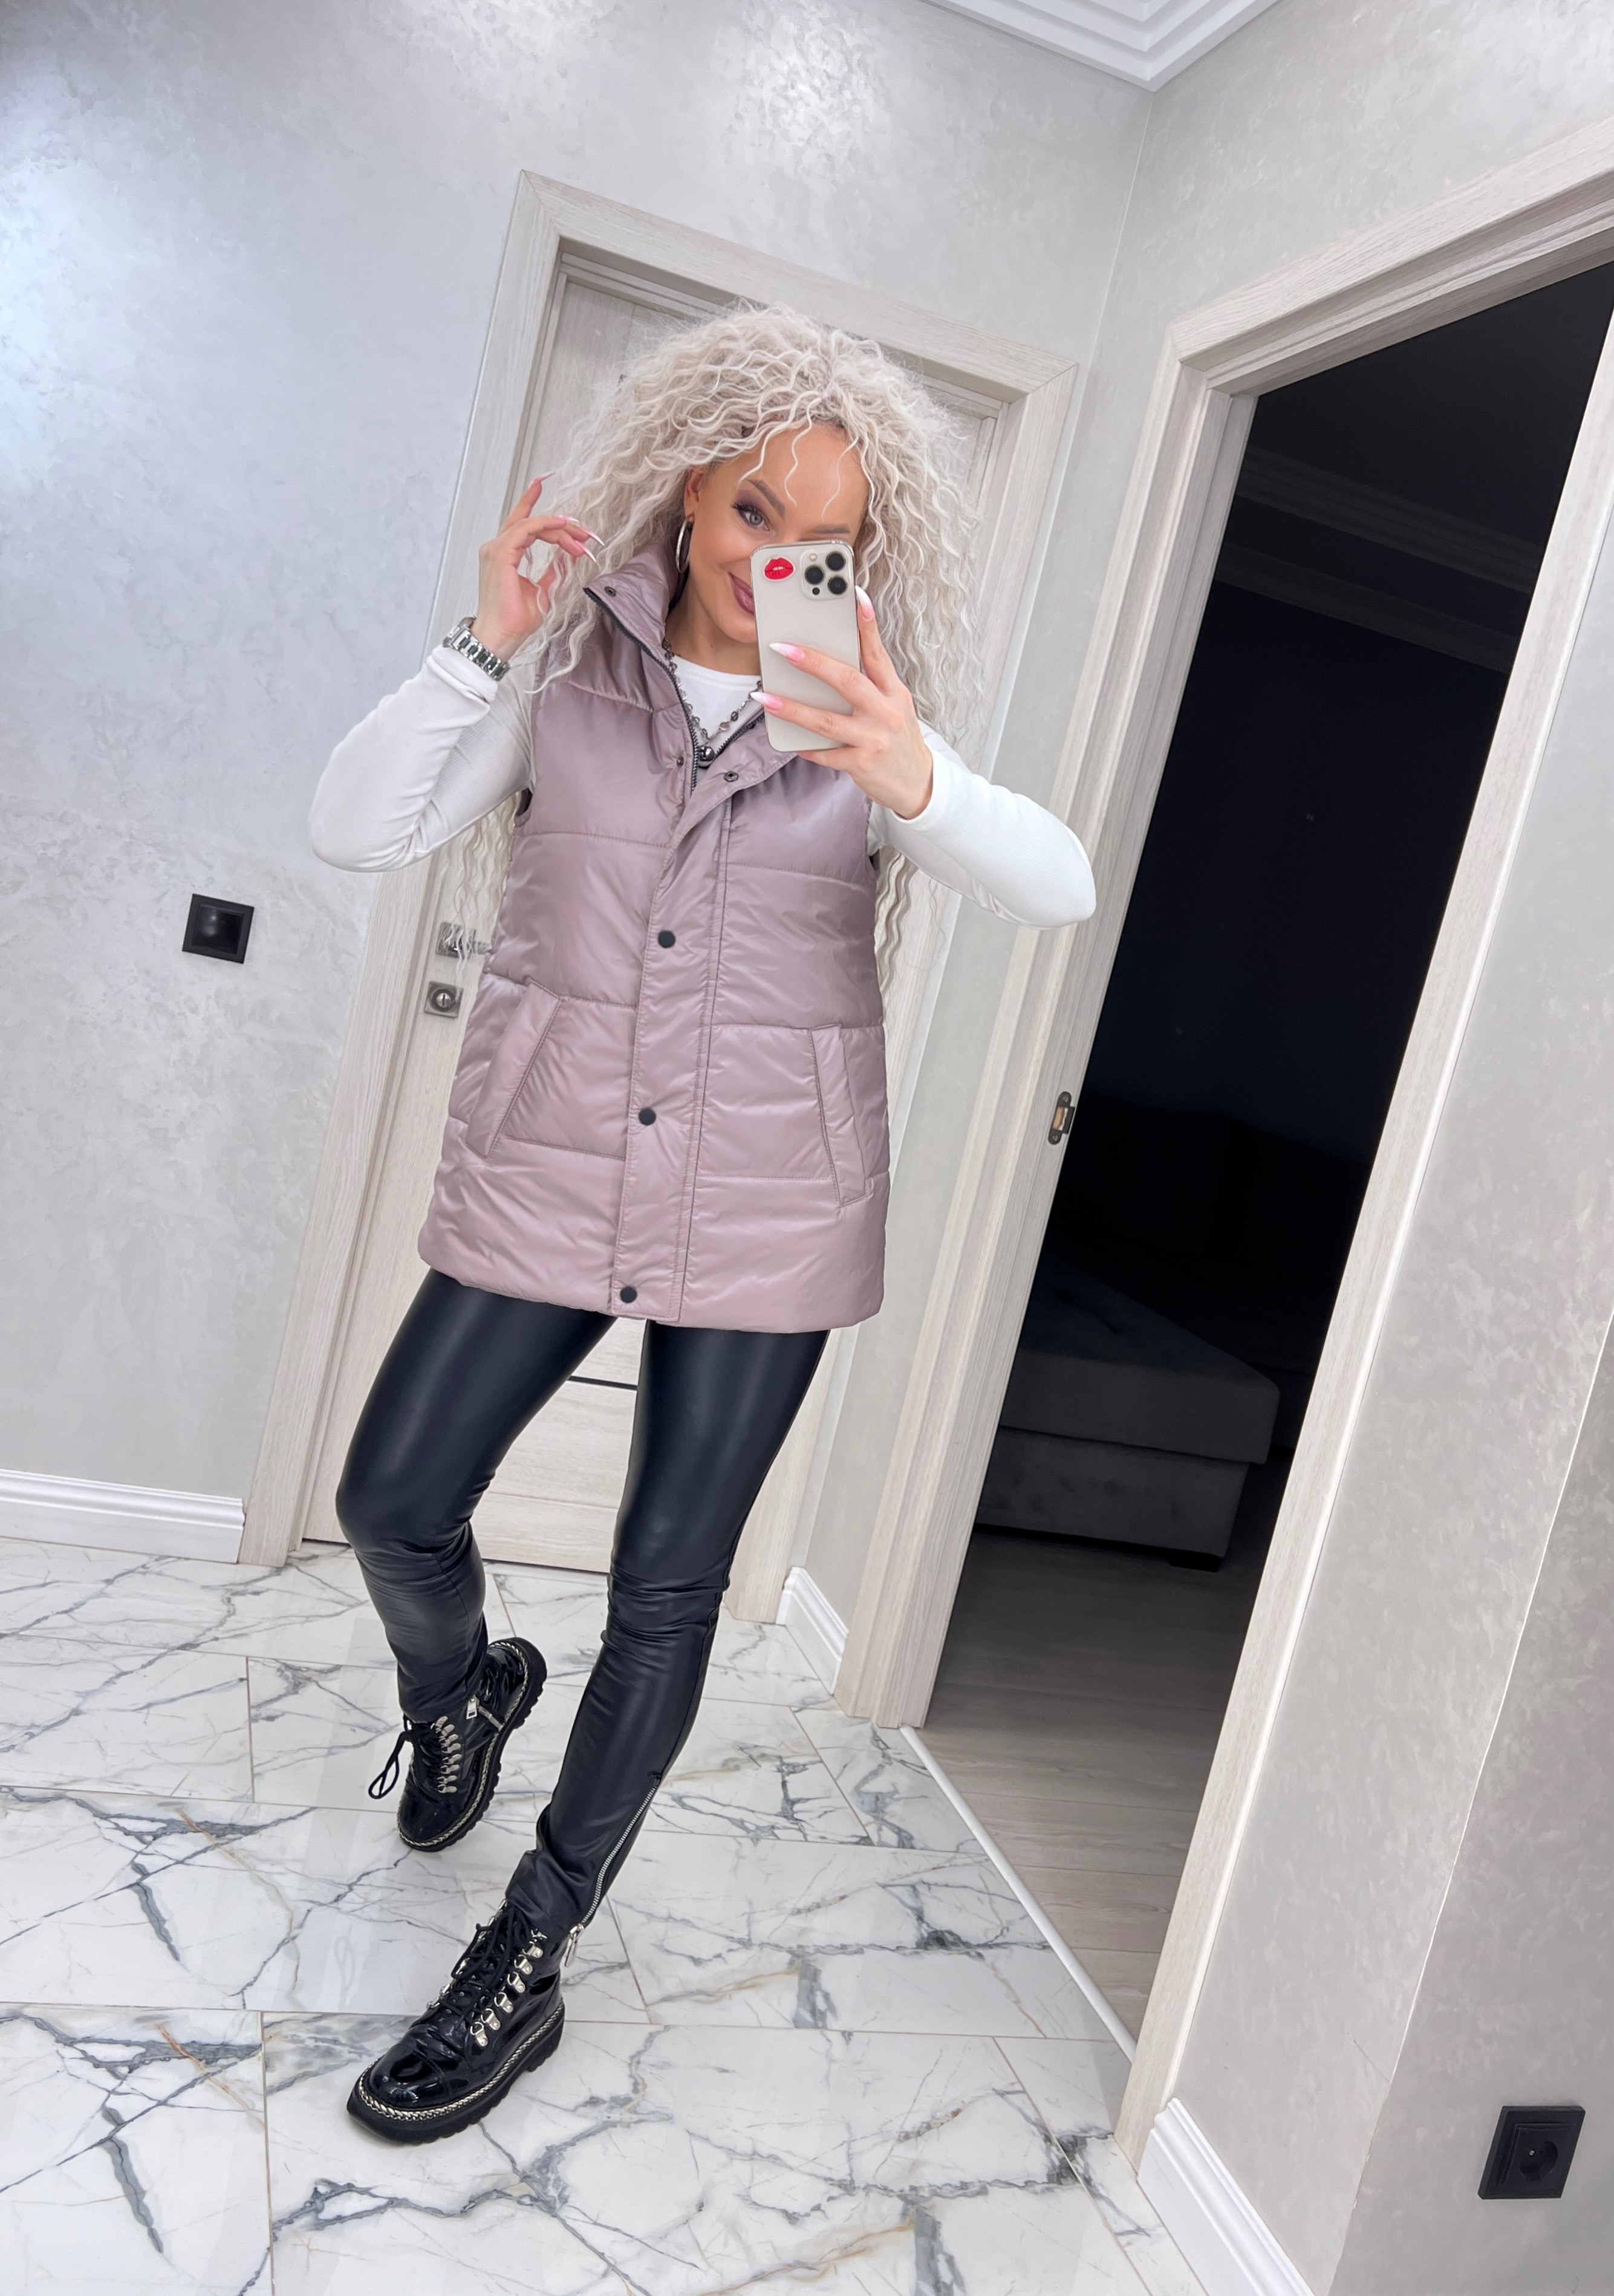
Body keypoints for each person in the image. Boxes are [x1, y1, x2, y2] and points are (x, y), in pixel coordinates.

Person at [308, 305, 1095, 2142]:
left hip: (768, 1205)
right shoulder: (569, 672)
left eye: (826, 537)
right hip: (554, 1164)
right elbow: (358, 830)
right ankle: (464, 1691)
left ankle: (532, 1944)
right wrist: (482, 641)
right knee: (392, 1498)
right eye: (752, 511)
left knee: (666, 1587)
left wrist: (912, 774)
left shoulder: (859, 718)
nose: (774, 560)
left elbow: (1056, 887)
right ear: (687, 488)